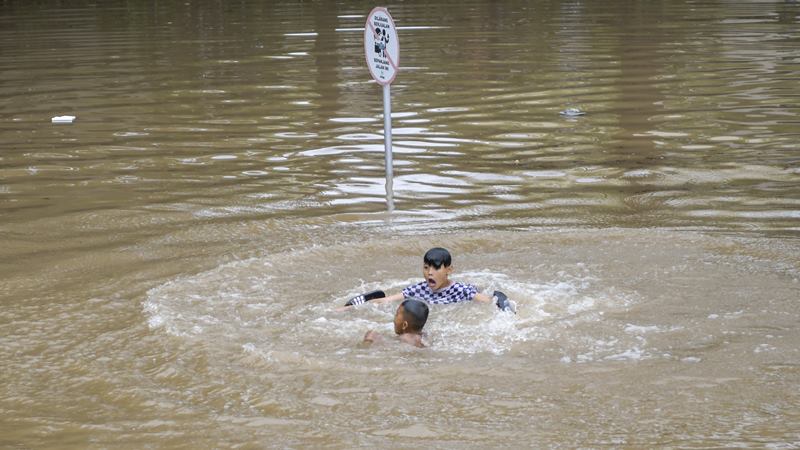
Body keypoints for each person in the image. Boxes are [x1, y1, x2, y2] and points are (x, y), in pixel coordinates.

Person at [341, 247, 516, 313]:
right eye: (426, 268)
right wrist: (351, 308)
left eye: (435, 268)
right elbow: (388, 300)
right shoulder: (419, 289)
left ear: (448, 270)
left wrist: (502, 303)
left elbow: (489, 301)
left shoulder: (462, 290)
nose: (429, 273)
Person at [362, 298, 429, 348]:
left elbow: (389, 347)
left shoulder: (404, 338)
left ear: (404, 325)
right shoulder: (423, 337)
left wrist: (371, 338)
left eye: (396, 315)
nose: (394, 320)